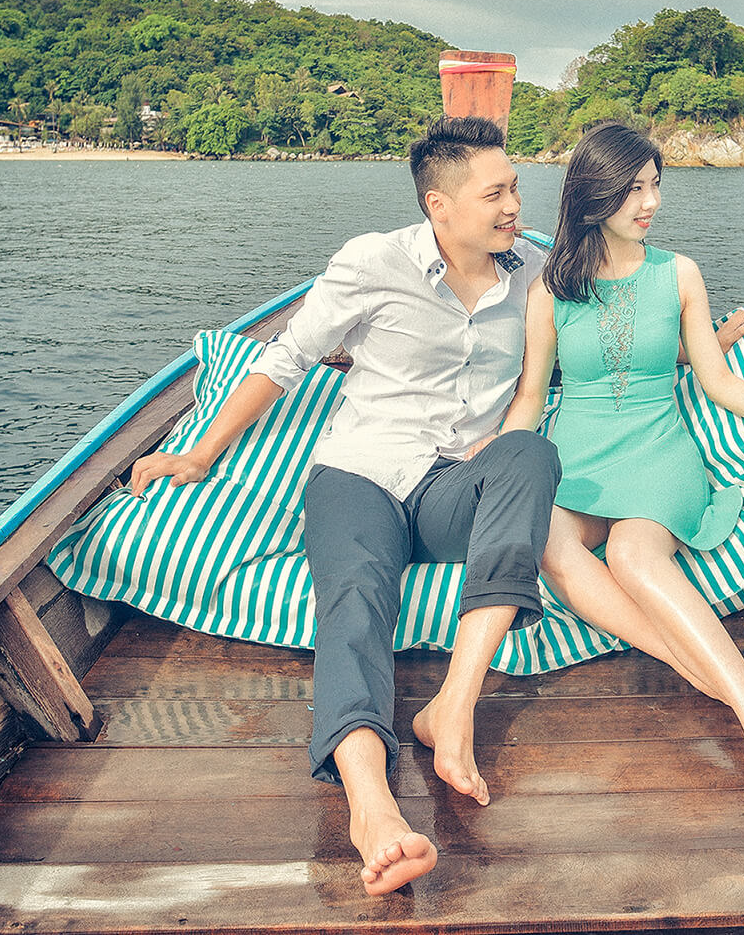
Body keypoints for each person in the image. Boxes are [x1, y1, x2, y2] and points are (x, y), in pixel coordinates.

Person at [124, 115, 560, 897]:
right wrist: (197, 453)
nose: (514, 206)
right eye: (495, 193)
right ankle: (372, 807)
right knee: (355, 603)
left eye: (516, 189)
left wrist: (713, 342)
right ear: (439, 204)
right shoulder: (373, 261)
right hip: (356, 475)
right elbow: (284, 359)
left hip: (451, 488)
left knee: (531, 453)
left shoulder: (534, 272)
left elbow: (601, 335)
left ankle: (452, 710)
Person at [498, 120, 744, 837]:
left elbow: (720, 384)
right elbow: (529, 395)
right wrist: (492, 459)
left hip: (658, 451)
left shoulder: (679, 273)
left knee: (632, 554)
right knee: (547, 539)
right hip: (577, 455)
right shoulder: (551, 290)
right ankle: (713, 676)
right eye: (634, 189)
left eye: (655, 186)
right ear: (593, 196)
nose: (651, 203)